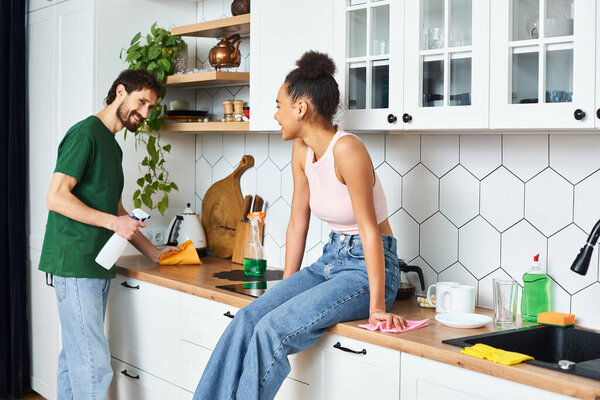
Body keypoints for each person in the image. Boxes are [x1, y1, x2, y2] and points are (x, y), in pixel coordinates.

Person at [194, 51, 406, 400]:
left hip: (365, 269)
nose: (276, 115)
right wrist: (285, 288)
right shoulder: (301, 150)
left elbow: (370, 231)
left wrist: (377, 307)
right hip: (329, 260)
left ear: (302, 108)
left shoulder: (348, 150)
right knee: (248, 320)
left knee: (271, 331)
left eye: (279, 105)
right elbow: (297, 222)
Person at [38, 69, 180, 400]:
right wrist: (114, 223)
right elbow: (56, 197)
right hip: (74, 262)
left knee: (75, 360)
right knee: (92, 365)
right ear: (120, 92)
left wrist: (153, 252)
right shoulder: (85, 134)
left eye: (150, 108)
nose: (144, 114)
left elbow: (115, 209)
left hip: (97, 263)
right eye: (141, 102)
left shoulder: (112, 148)